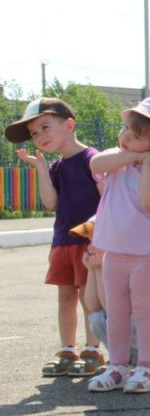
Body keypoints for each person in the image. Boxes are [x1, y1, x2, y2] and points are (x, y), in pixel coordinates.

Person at [86, 97, 150, 394]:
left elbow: (148, 200)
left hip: (148, 255)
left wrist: (148, 164)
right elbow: (95, 164)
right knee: (116, 312)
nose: (125, 136)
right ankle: (117, 365)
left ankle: (146, 366)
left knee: (143, 311)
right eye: (126, 129)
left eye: (136, 135)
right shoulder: (117, 160)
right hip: (115, 252)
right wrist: (133, 156)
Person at [4, 98, 103, 377]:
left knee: (89, 298)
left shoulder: (93, 159)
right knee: (65, 296)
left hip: (88, 241)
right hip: (62, 241)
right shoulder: (56, 166)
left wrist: (98, 237)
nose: (39, 136)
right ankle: (67, 350)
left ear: (69, 124)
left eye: (45, 127)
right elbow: (51, 203)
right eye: (34, 133)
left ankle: (93, 351)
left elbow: (107, 200)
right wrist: (40, 167)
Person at [69, 220, 150, 375]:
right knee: (96, 319)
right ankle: (127, 359)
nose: (89, 247)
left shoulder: (131, 263)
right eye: (89, 241)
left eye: (96, 241)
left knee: (113, 317)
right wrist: (92, 270)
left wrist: (100, 268)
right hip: (142, 325)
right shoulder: (110, 264)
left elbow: (112, 309)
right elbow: (93, 307)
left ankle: (149, 360)